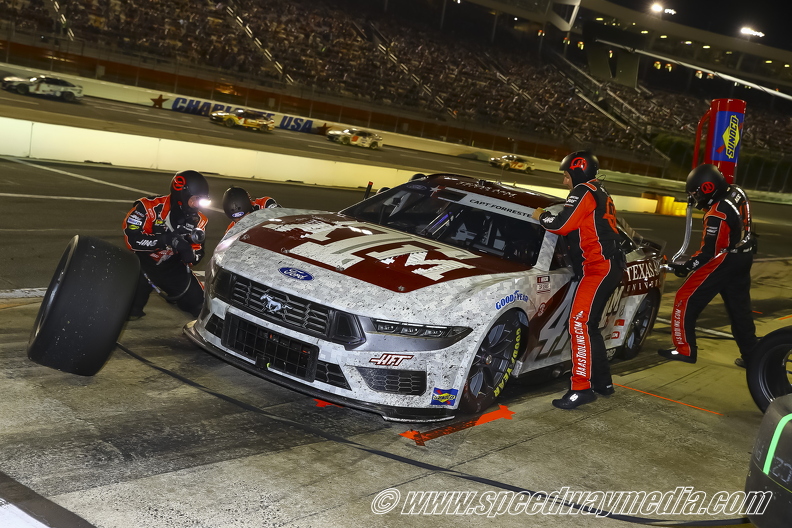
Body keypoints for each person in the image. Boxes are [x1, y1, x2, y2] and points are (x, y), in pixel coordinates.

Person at [532, 151, 626, 409]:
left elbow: (561, 225)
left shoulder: (583, 190)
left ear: (578, 171)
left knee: (579, 324)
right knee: (589, 326)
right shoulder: (599, 190)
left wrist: (540, 215)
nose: (565, 182)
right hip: (607, 265)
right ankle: (603, 383)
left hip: (599, 267)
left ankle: (581, 389)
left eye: (566, 176)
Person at [659, 164, 757, 367]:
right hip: (744, 255)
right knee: (740, 311)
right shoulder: (736, 190)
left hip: (725, 260)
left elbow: (708, 253)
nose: (694, 199)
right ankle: (753, 357)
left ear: (707, 188)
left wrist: (685, 267)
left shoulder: (716, 214)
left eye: (695, 193)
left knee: (684, 299)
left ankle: (684, 350)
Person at [123, 170, 211, 320]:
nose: (197, 204)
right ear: (181, 193)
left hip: (173, 267)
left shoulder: (200, 220)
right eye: (195, 199)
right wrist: (166, 240)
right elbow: (132, 240)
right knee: (126, 312)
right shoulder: (147, 207)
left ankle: (175, 296)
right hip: (142, 264)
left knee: (201, 306)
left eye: (202, 200)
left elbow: (197, 252)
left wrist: (190, 254)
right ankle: (134, 304)